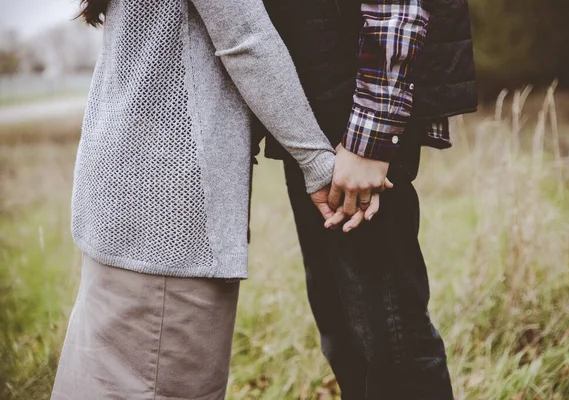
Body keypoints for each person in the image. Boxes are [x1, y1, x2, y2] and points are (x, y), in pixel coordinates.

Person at [51, 0, 380, 398]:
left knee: (100, 380)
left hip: (125, 191)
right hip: (169, 206)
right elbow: (245, 38)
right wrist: (316, 160)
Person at [255, 0, 478, 398]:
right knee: (343, 334)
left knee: (391, 344)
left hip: (354, 122)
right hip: (312, 113)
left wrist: (371, 137)